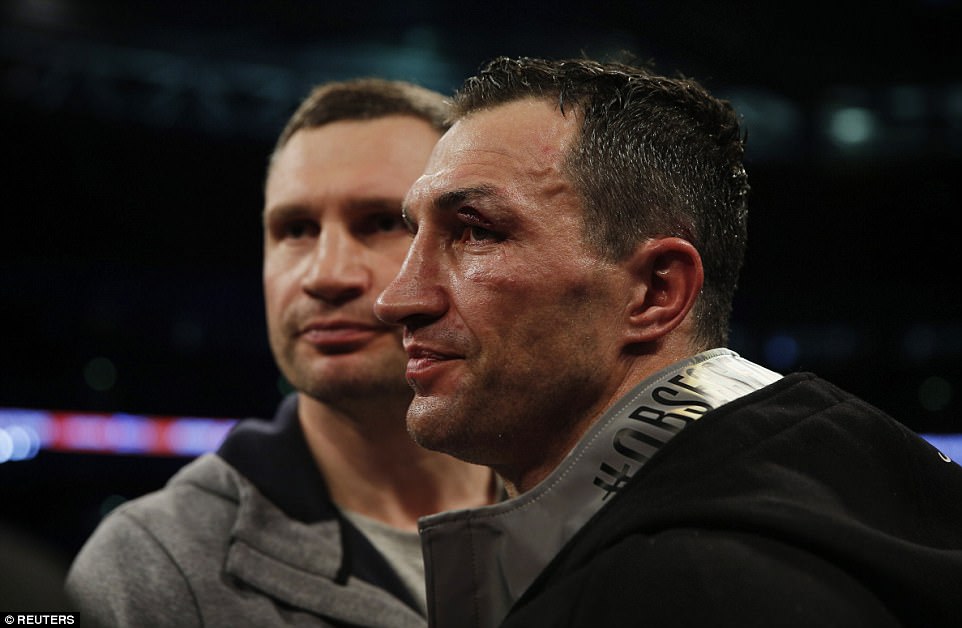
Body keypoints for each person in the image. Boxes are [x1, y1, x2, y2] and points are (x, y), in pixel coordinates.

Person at [374, 57, 962, 628]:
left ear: (657, 292)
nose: (396, 299)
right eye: (412, 233)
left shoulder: (680, 587)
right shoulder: (840, 499)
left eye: (477, 231)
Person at [66, 78, 496, 627]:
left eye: (384, 222)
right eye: (295, 229)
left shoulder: (593, 514)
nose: (326, 275)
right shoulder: (153, 564)